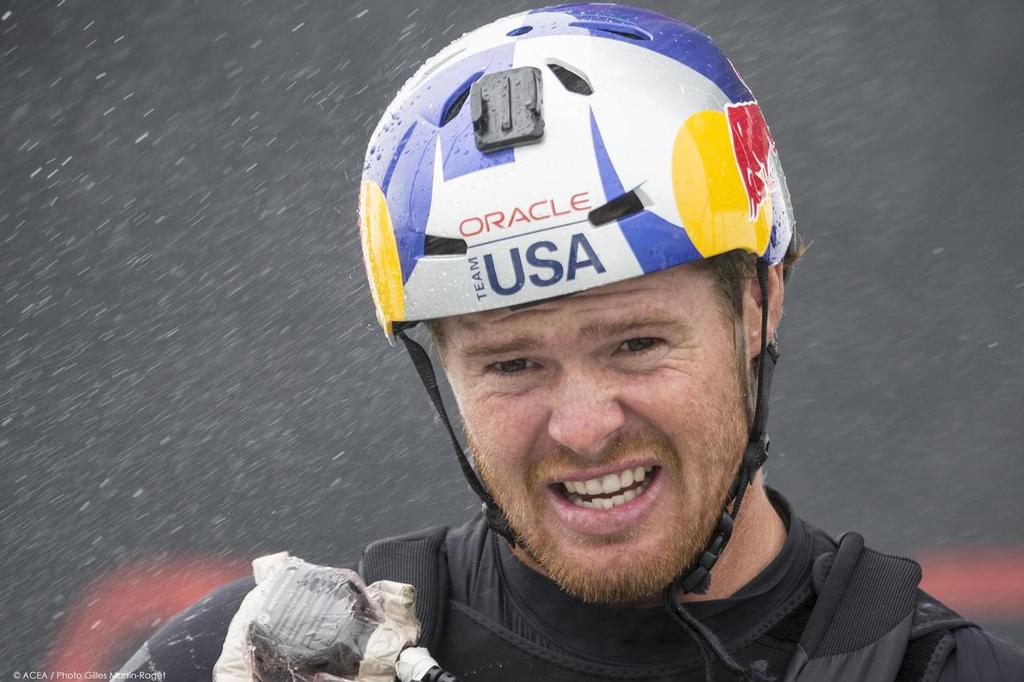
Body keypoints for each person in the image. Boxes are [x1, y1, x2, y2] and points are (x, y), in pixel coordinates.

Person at [116, 4, 1023, 681]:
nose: (585, 428)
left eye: (635, 344)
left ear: (759, 302)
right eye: (512, 363)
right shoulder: (249, 659)